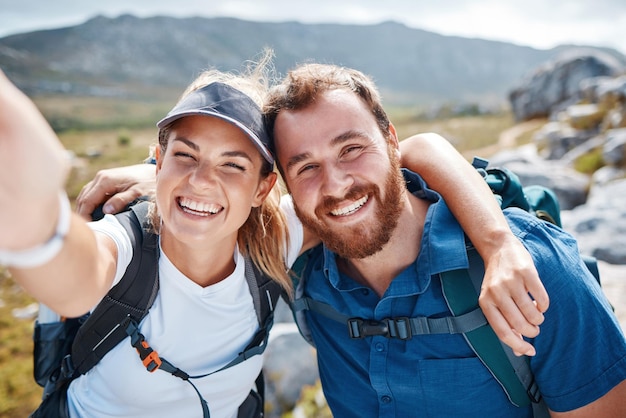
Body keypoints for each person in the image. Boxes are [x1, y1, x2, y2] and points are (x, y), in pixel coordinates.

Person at [260, 63, 626, 417]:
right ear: (287, 188)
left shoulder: (533, 266)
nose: (336, 184)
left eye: (352, 149)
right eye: (306, 167)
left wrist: (498, 243)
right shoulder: (301, 272)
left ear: (391, 141)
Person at [0, 56, 298, 417]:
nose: (201, 180)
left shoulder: (275, 239)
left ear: (262, 188)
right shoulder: (126, 243)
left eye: (233, 165)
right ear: (159, 160)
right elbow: (80, 273)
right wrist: (37, 217)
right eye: (185, 155)